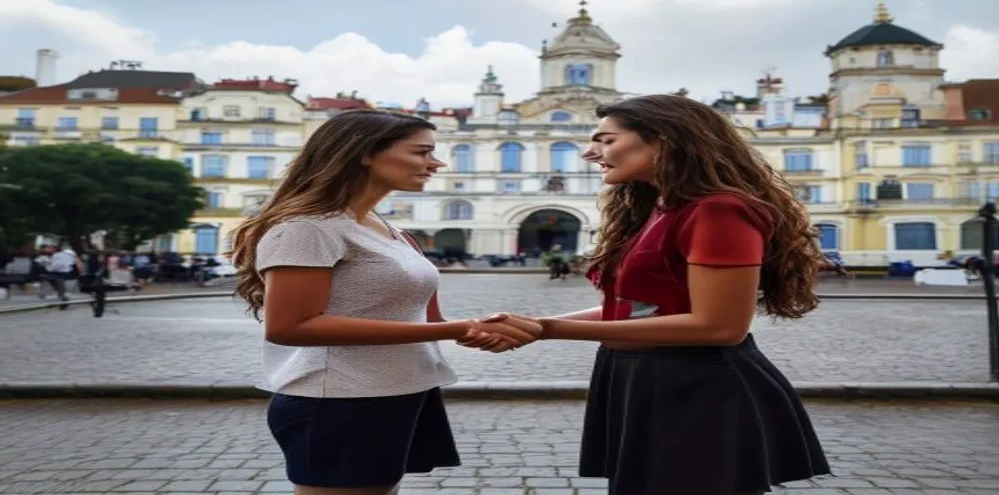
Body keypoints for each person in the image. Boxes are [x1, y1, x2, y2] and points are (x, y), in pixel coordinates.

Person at [464, 95, 832, 495]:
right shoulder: (661, 208)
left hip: (696, 385)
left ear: (663, 139)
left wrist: (550, 327)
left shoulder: (719, 209)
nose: (590, 152)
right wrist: (537, 326)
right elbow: (636, 309)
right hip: (644, 376)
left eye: (606, 140)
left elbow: (720, 327)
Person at [229, 109, 541, 495]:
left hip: (399, 389)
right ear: (364, 152)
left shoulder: (387, 228)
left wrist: (477, 328)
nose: (436, 162)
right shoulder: (307, 228)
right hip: (339, 400)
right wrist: (456, 329)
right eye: (421, 152)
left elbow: (421, 318)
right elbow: (290, 327)